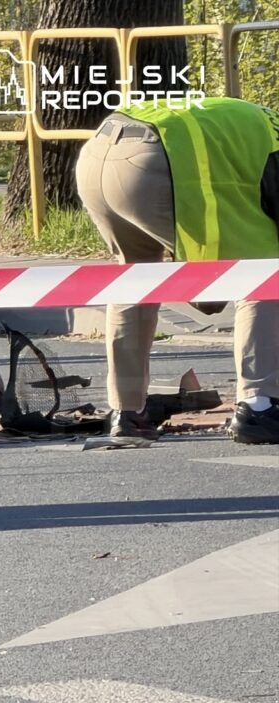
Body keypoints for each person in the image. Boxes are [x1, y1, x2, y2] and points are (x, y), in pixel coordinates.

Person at [76, 96, 279, 445]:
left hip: (97, 155)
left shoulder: (260, 126)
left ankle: (126, 414)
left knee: (135, 278)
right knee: (262, 276)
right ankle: (259, 406)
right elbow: (216, 294)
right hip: (163, 161)